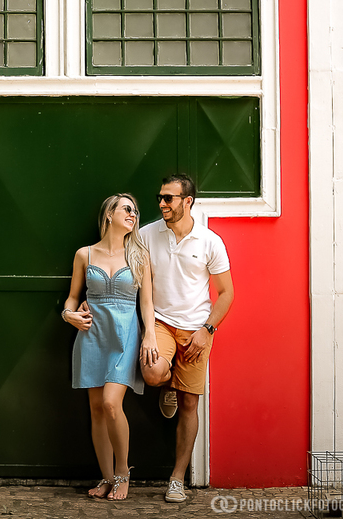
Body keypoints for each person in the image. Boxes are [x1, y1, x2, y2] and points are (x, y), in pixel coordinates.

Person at [139, 174, 235, 504]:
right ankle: (168, 386)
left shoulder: (210, 242)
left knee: (190, 404)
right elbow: (123, 270)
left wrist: (207, 331)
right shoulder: (147, 235)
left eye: (169, 198)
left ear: (188, 201)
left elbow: (226, 294)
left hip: (196, 329)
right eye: (160, 198)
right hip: (161, 324)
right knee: (152, 372)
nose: (162, 204)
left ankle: (177, 478)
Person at [62, 194, 158, 501]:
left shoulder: (140, 257)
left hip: (125, 335)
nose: (133, 214)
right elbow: (72, 298)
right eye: (126, 209)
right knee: (96, 411)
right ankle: (106, 477)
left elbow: (147, 305)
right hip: (92, 335)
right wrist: (69, 315)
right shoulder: (84, 255)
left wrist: (150, 335)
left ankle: (122, 475)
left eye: (135, 211)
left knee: (111, 404)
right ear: (109, 215)